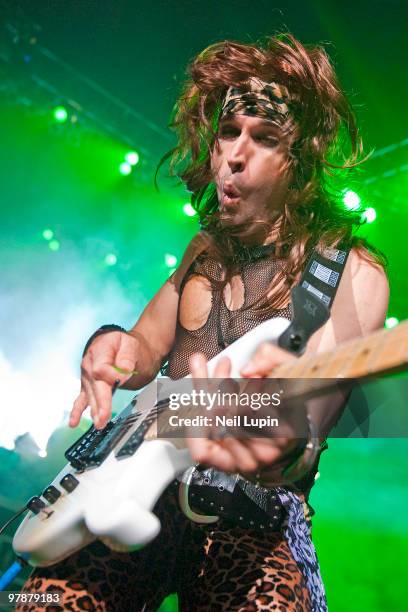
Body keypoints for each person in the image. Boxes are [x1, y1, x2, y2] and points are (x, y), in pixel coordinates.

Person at [18, 34, 389, 611]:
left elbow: (307, 426)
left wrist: (282, 439)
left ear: (304, 161)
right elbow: (142, 349)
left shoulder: (351, 270)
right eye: (228, 132)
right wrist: (109, 347)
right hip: (126, 487)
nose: (235, 154)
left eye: (265, 139)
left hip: (250, 519)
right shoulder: (201, 250)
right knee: (42, 603)